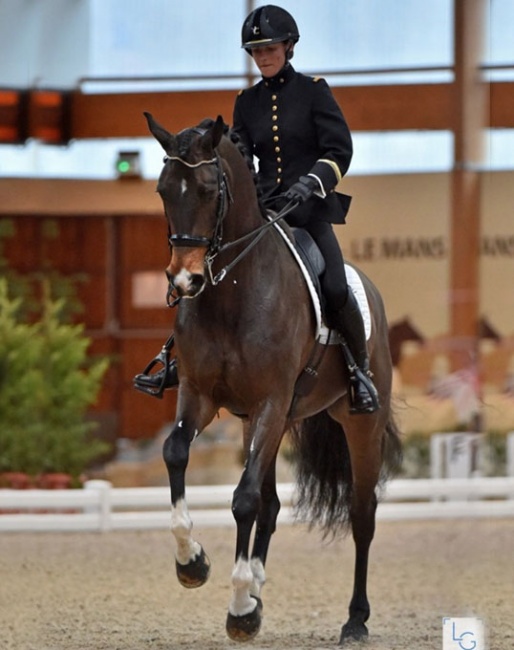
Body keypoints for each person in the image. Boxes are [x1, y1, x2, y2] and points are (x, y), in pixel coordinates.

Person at [134, 4, 378, 414]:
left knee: (335, 283)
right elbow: (242, 151)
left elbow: (340, 150)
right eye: (256, 51)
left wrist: (312, 181)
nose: (263, 57)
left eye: (270, 48)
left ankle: (359, 371)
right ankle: (180, 362)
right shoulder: (246, 101)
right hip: (265, 210)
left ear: (288, 47)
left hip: (309, 210)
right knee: (210, 276)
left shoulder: (314, 90)